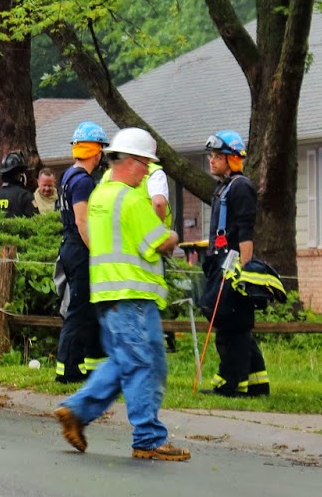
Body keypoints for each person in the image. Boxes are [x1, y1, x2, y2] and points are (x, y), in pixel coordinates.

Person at [53, 128, 190, 462]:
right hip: (134, 295)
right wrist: (172, 235)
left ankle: (76, 411)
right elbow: (157, 242)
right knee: (145, 365)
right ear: (129, 161)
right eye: (144, 163)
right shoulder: (130, 200)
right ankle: (148, 438)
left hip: (108, 293)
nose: (146, 171)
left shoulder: (101, 194)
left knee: (125, 362)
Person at [202, 129, 268, 397]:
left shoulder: (241, 187)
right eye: (211, 156)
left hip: (233, 264)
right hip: (219, 261)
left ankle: (234, 383)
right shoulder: (224, 187)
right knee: (228, 323)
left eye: (218, 156)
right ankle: (256, 382)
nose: (212, 160)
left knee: (233, 325)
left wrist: (244, 271)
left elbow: (245, 231)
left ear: (232, 159)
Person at [55, 122, 108, 384]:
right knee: (78, 308)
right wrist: (97, 252)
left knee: (85, 308)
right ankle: (67, 368)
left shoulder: (68, 175)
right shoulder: (84, 181)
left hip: (69, 246)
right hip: (79, 247)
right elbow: (82, 221)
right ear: (96, 152)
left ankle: (89, 364)